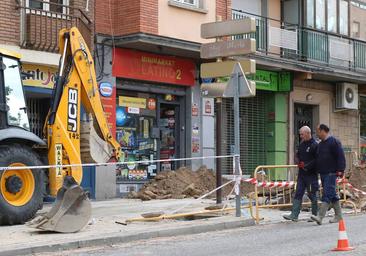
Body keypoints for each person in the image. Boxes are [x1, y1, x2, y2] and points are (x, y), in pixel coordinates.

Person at [311, 124, 346, 225]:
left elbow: (340, 156)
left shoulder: (334, 142)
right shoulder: (321, 144)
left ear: (323, 131)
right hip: (323, 172)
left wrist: (341, 170)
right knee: (333, 194)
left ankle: (320, 216)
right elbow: (318, 158)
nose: (317, 134)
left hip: (331, 172)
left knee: (327, 194)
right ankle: (339, 216)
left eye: (317, 131)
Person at [284, 126, 319, 221]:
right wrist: (297, 161)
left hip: (311, 175)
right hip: (302, 175)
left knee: (312, 194)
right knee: (298, 193)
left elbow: (317, 160)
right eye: (300, 134)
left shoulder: (315, 145)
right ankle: (294, 215)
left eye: (302, 134)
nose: (301, 136)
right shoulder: (302, 144)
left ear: (308, 133)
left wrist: (306, 166)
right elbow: (297, 155)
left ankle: (315, 215)